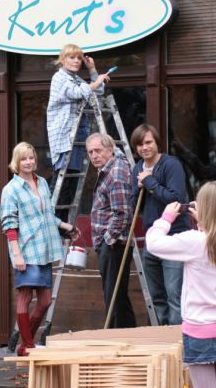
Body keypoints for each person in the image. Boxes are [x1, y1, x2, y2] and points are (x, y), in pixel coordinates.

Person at [146, 181, 216, 388]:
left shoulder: (194, 241)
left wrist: (166, 218)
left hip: (200, 329)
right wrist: (204, 222)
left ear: (204, 209)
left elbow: (153, 243)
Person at [0, 142, 80, 356]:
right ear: (16, 162)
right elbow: (9, 224)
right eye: (24, 159)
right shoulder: (11, 189)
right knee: (25, 297)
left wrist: (67, 227)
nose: (28, 162)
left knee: (45, 301)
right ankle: (28, 345)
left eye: (31, 157)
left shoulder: (42, 182)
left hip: (44, 250)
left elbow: (47, 216)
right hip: (25, 251)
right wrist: (16, 254)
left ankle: (25, 344)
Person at [131, 124, 190, 326]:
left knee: (174, 295)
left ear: (157, 142)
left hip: (174, 237)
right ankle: (162, 337)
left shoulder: (171, 165)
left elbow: (176, 200)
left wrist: (150, 182)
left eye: (148, 142)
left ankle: (177, 339)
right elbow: (134, 206)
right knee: (156, 296)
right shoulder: (138, 168)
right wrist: (138, 188)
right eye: (140, 144)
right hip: (152, 239)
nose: (144, 148)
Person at [47, 43, 110, 230]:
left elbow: (97, 91)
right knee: (62, 181)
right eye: (71, 57)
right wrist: (97, 81)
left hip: (78, 134)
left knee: (72, 181)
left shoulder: (76, 79)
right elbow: (77, 93)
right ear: (62, 59)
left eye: (78, 58)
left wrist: (92, 70)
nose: (76, 61)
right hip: (64, 135)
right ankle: (54, 224)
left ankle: (63, 226)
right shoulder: (59, 78)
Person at [86, 133, 136, 328]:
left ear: (110, 149)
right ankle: (127, 336)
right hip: (112, 243)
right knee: (118, 297)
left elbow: (122, 213)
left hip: (114, 244)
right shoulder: (111, 166)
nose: (94, 155)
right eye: (90, 152)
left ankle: (115, 337)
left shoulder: (116, 173)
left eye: (98, 150)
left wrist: (107, 240)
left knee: (114, 297)